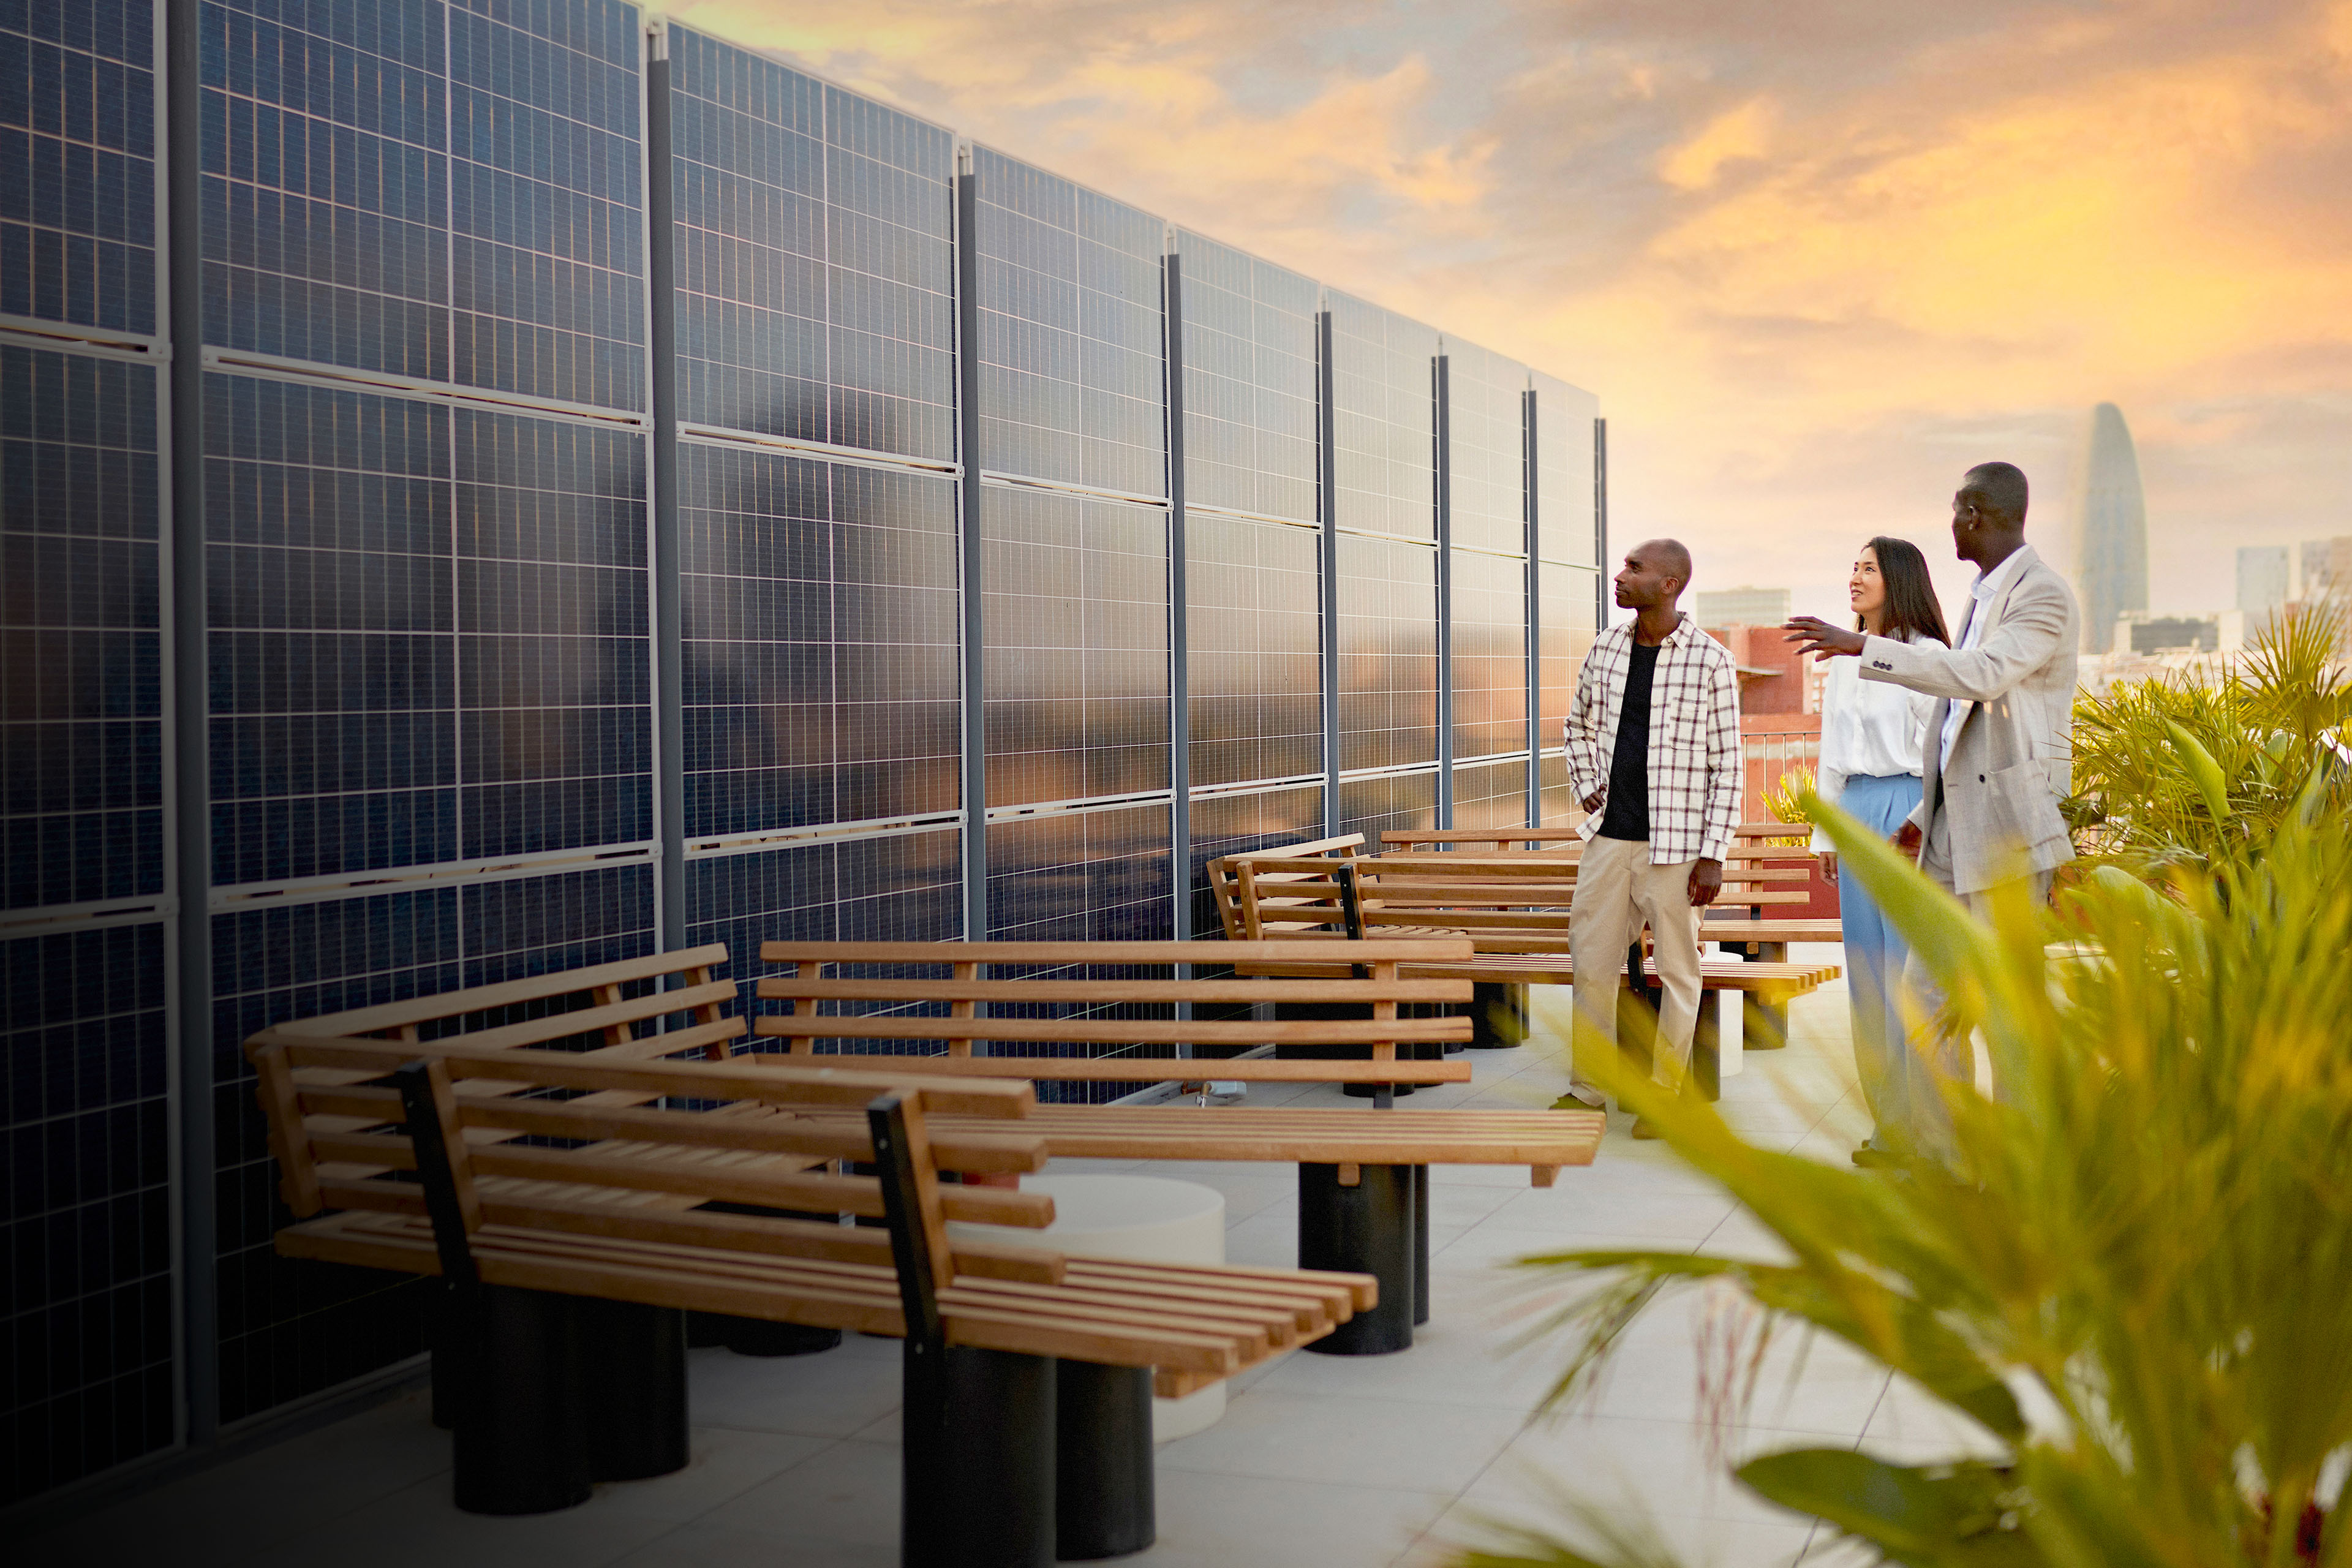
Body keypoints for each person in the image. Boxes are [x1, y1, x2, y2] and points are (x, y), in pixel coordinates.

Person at [1784, 462, 2078, 1154]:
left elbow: (1981, 679)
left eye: (1956, 509)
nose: (1950, 522)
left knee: (2008, 1012)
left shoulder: (2042, 595)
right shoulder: (1984, 596)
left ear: (1977, 513)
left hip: (2006, 832)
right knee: (1918, 999)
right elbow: (1950, 734)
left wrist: (1862, 646)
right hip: (1946, 828)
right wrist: (1926, 814)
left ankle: (2017, 1163)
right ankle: (1942, 1158)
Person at [1556, 538, 1743, 1138]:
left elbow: (1729, 764)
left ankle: (1664, 1097)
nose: (1620, 575)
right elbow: (1577, 724)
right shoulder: (1606, 649)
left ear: (1669, 583)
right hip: (1610, 839)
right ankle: (1588, 1092)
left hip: (1679, 847)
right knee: (1592, 965)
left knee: (1681, 973)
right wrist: (1589, 784)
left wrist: (1714, 852)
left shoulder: (1710, 660)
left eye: (1634, 568)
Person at [1809, 537, 1948, 1167]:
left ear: (1898, 579)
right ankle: (1889, 1127)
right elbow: (1831, 754)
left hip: (1909, 816)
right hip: (1859, 815)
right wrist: (1826, 831)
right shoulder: (1843, 661)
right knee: (1867, 977)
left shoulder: (1928, 657)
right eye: (1853, 566)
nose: (1854, 577)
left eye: (1867, 568)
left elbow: (1941, 755)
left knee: (1908, 979)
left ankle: (1929, 1130)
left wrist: (1918, 821)